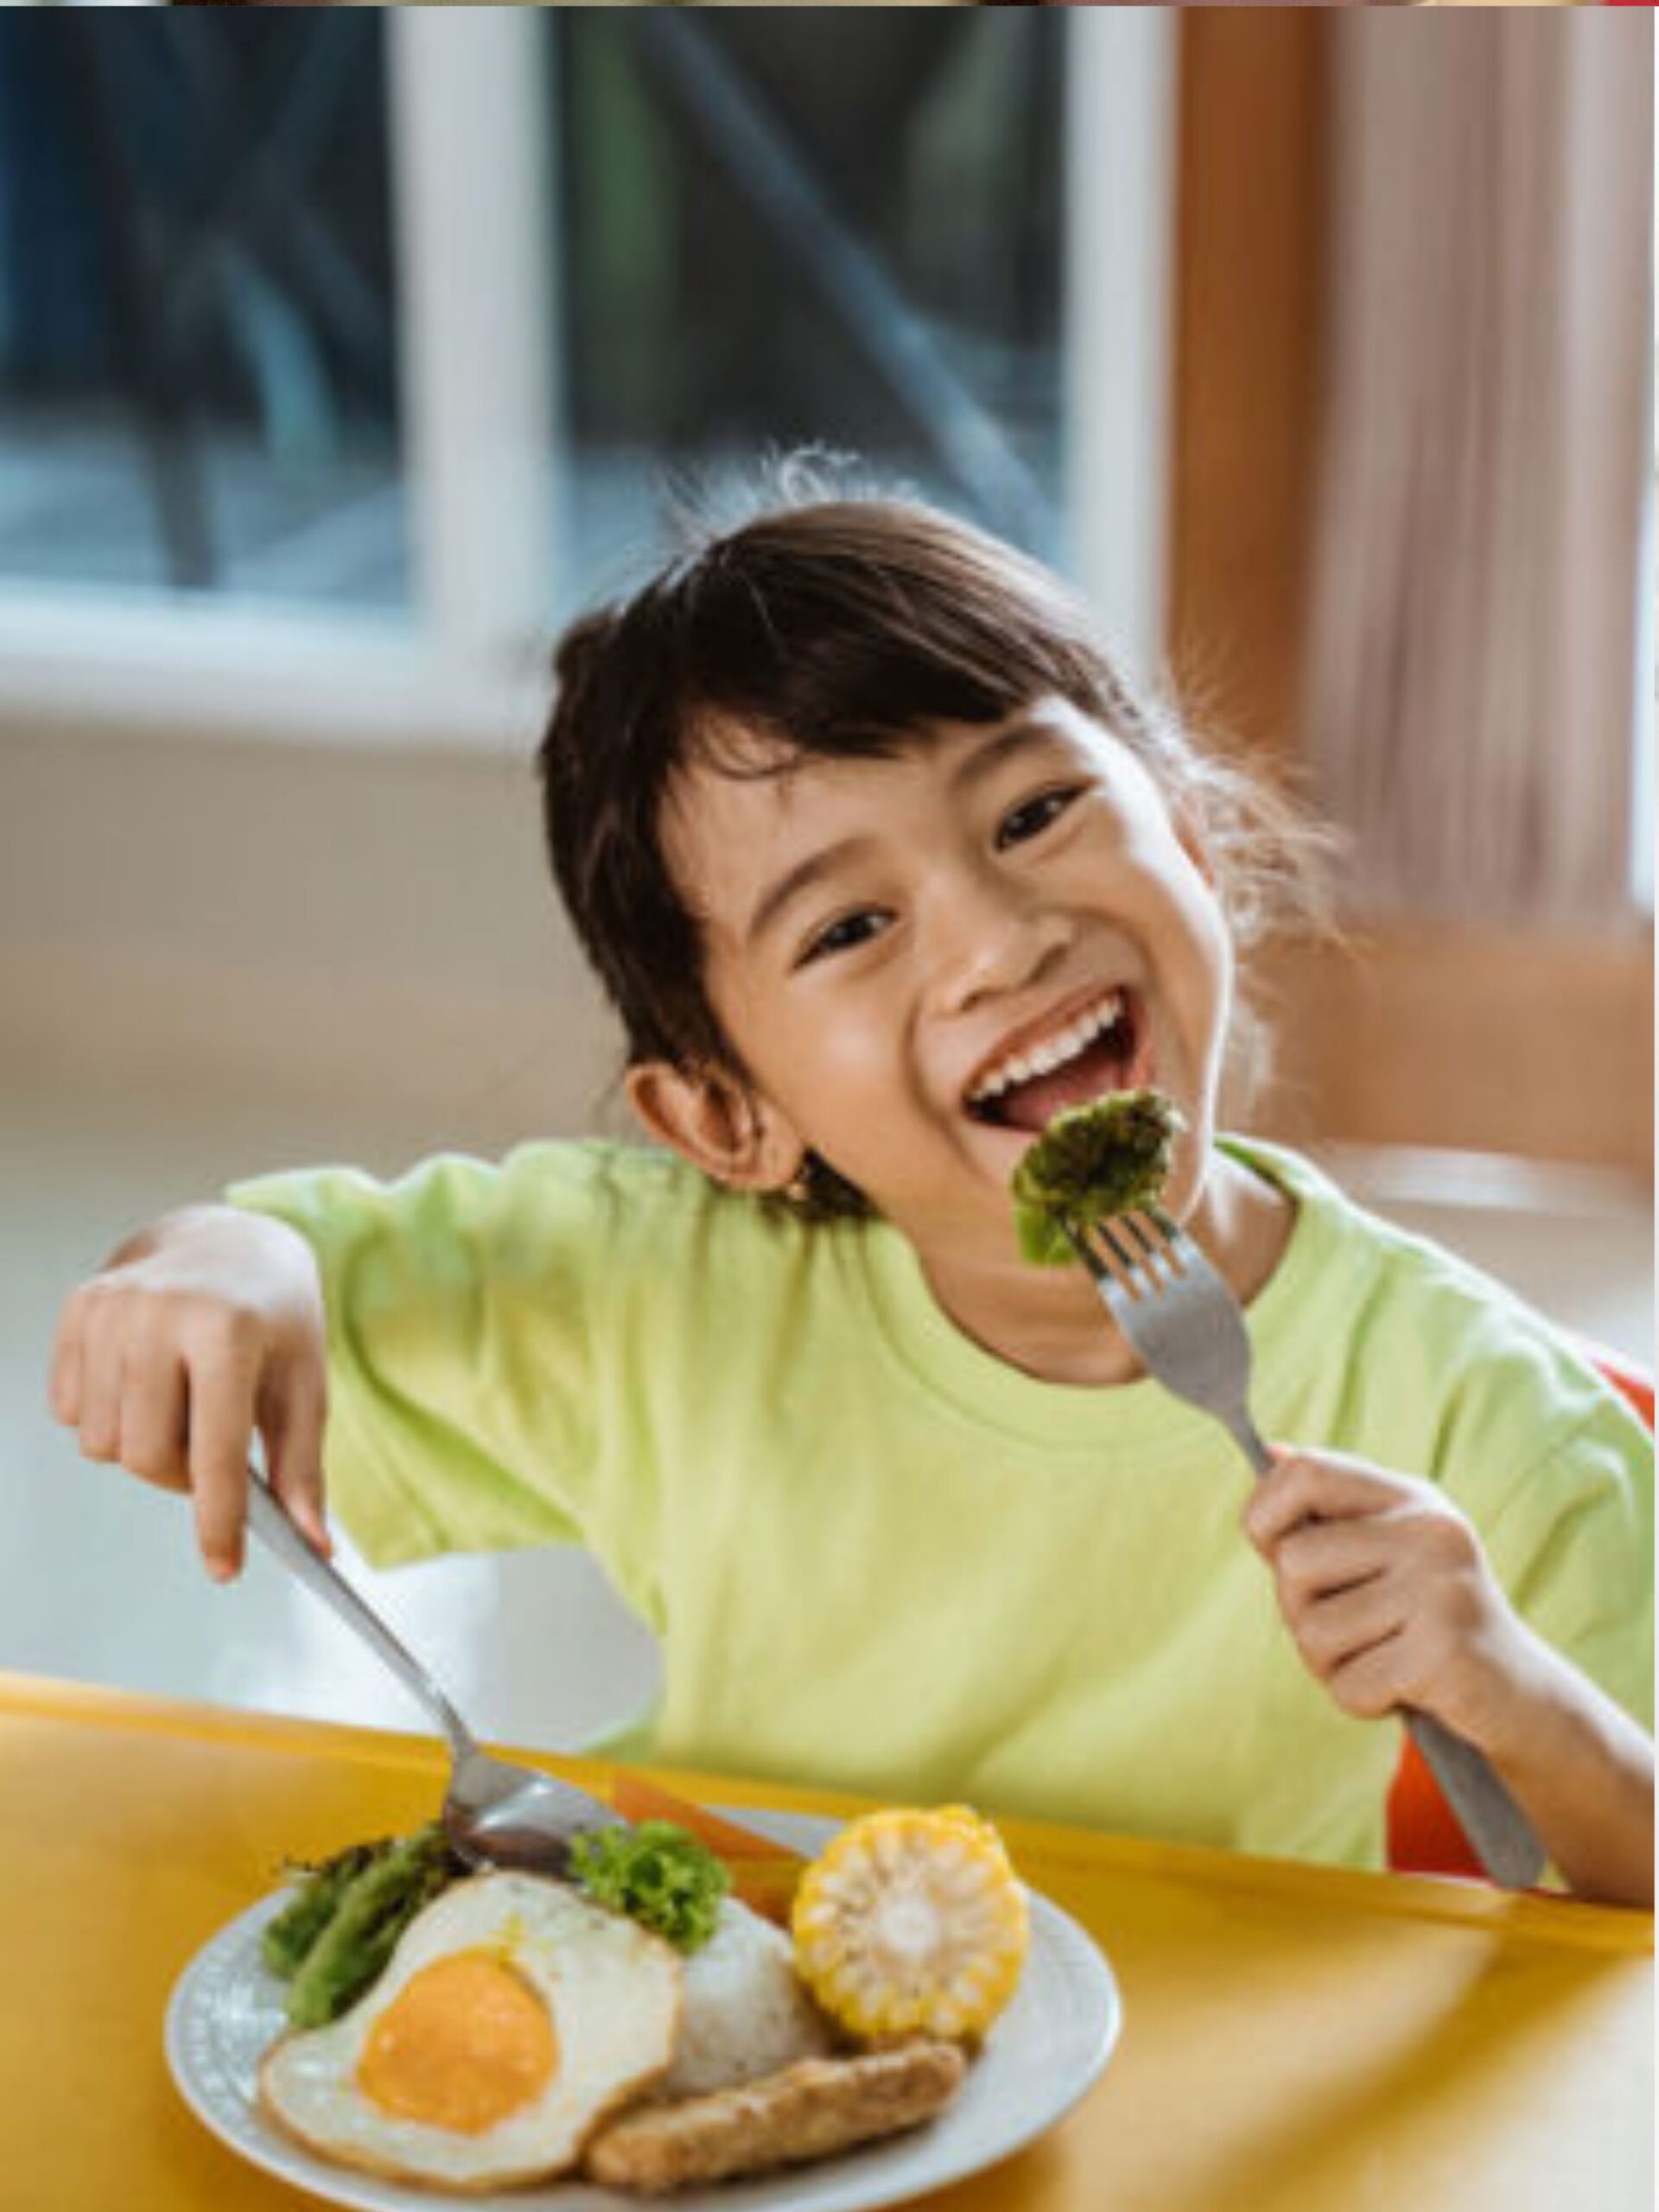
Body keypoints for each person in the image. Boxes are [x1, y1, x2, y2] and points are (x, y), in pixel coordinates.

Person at [48, 475, 1653, 1904]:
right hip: (730, 2006)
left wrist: (1515, 1686)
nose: (996, 939)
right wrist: (211, 1263)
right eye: (847, 927)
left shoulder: (1473, 1413)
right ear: (728, 1119)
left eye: (1035, 814)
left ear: (1189, 836)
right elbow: (269, 1285)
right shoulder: (660, 1288)